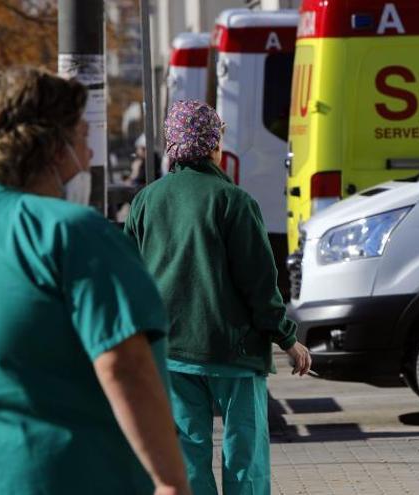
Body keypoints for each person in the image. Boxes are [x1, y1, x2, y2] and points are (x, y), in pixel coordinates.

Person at [0, 67, 189, 494]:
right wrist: (171, 482)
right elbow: (125, 365)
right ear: (50, 145)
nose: (87, 156)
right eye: (83, 138)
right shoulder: (70, 233)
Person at [124, 99, 312, 495]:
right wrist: (286, 338)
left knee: (187, 453)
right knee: (245, 454)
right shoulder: (234, 202)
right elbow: (260, 284)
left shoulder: (146, 202)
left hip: (172, 351)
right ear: (213, 146)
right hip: (235, 353)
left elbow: (130, 278)